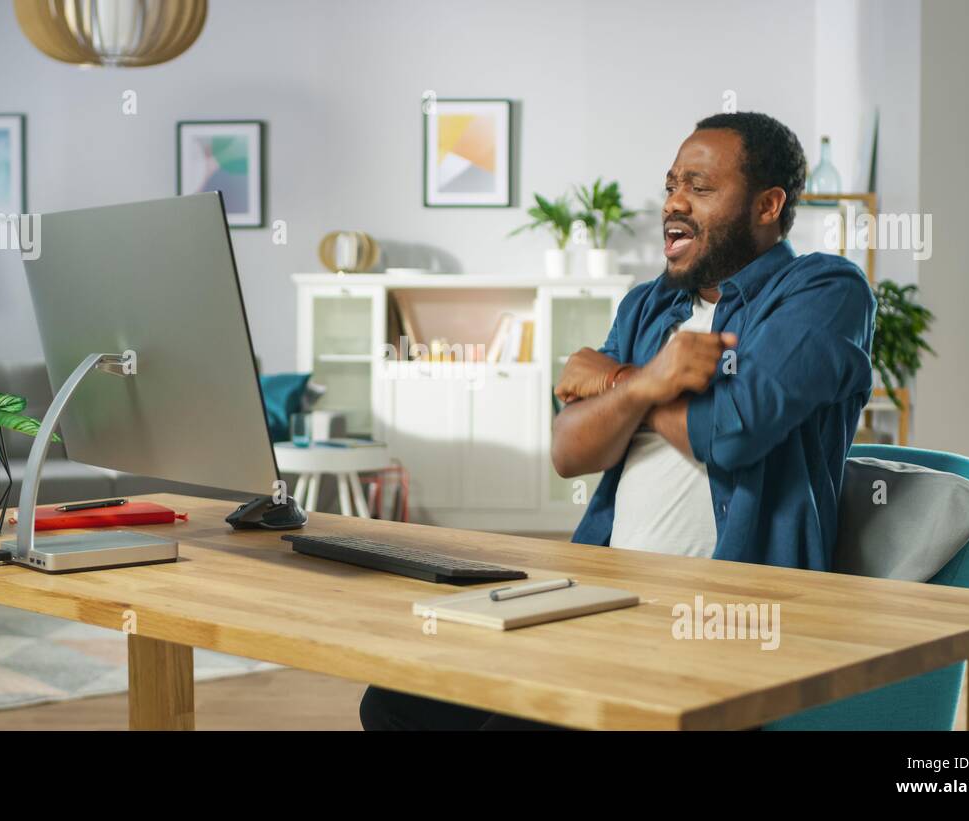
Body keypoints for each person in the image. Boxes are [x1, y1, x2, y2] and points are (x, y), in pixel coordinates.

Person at [360, 111, 876, 731]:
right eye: (671, 186)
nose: (675, 204)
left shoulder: (824, 289)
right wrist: (654, 383)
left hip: (723, 618)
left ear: (768, 205)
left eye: (700, 187)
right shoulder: (648, 304)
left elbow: (733, 434)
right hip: (607, 595)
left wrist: (623, 383)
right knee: (394, 699)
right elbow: (570, 447)